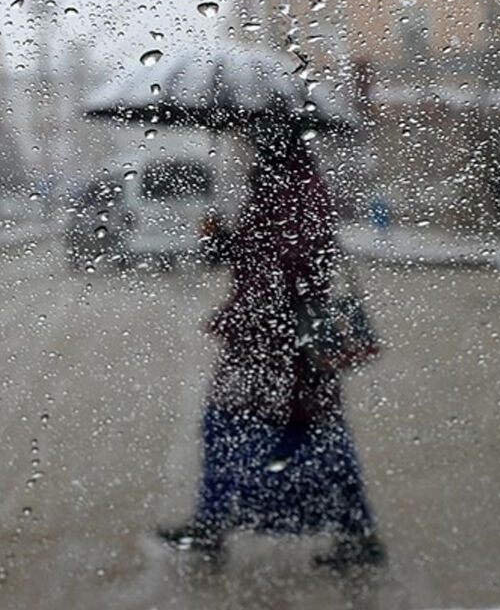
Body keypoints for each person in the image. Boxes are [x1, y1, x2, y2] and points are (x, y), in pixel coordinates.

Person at [158, 127, 385, 571]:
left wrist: (252, 298)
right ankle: (218, 521)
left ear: (274, 140)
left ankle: (352, 532)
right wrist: (221, 240)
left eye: (253, 140)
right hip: (265, 337)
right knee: (249, 427)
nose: (245, 146)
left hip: (284, 341)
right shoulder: (273, 185)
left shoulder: (299, 188)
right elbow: (260, 254)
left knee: (291, 432)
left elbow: (293, 261)